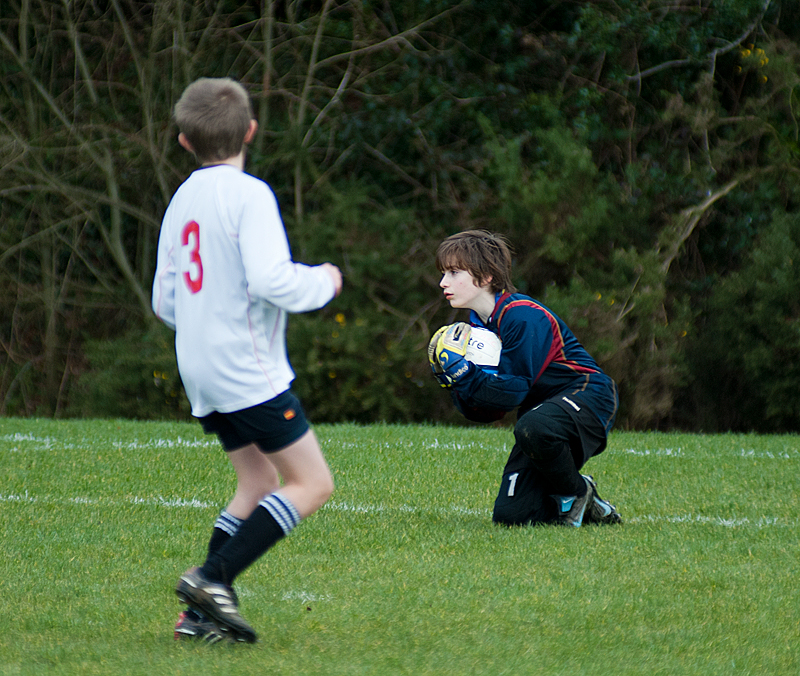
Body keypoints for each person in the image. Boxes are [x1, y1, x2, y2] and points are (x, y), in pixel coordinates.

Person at [152, 77, 343, 644]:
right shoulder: (250, 194)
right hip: (245, 370)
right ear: (251, 131)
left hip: (199, 367)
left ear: (184, 141)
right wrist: (323, 282)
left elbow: (166, 300)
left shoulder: (182, 197)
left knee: (256, 481)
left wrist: (207, 320)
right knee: (311, 484)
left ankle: (198, 617)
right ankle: (212, 579)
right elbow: (270, 280)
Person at [429, 230, 621, 528]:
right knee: (512, 517)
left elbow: (512, 393)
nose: (443, 282)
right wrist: (452, 380)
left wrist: (464, 373)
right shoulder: (476, 329)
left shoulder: (522, 315)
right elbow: (489, 410)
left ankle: (575, 492)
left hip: (588, 394)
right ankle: (590, 502)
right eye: (443, 273)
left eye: (454, 272)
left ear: (487, 276)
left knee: (532, 426)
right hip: (539, 415)